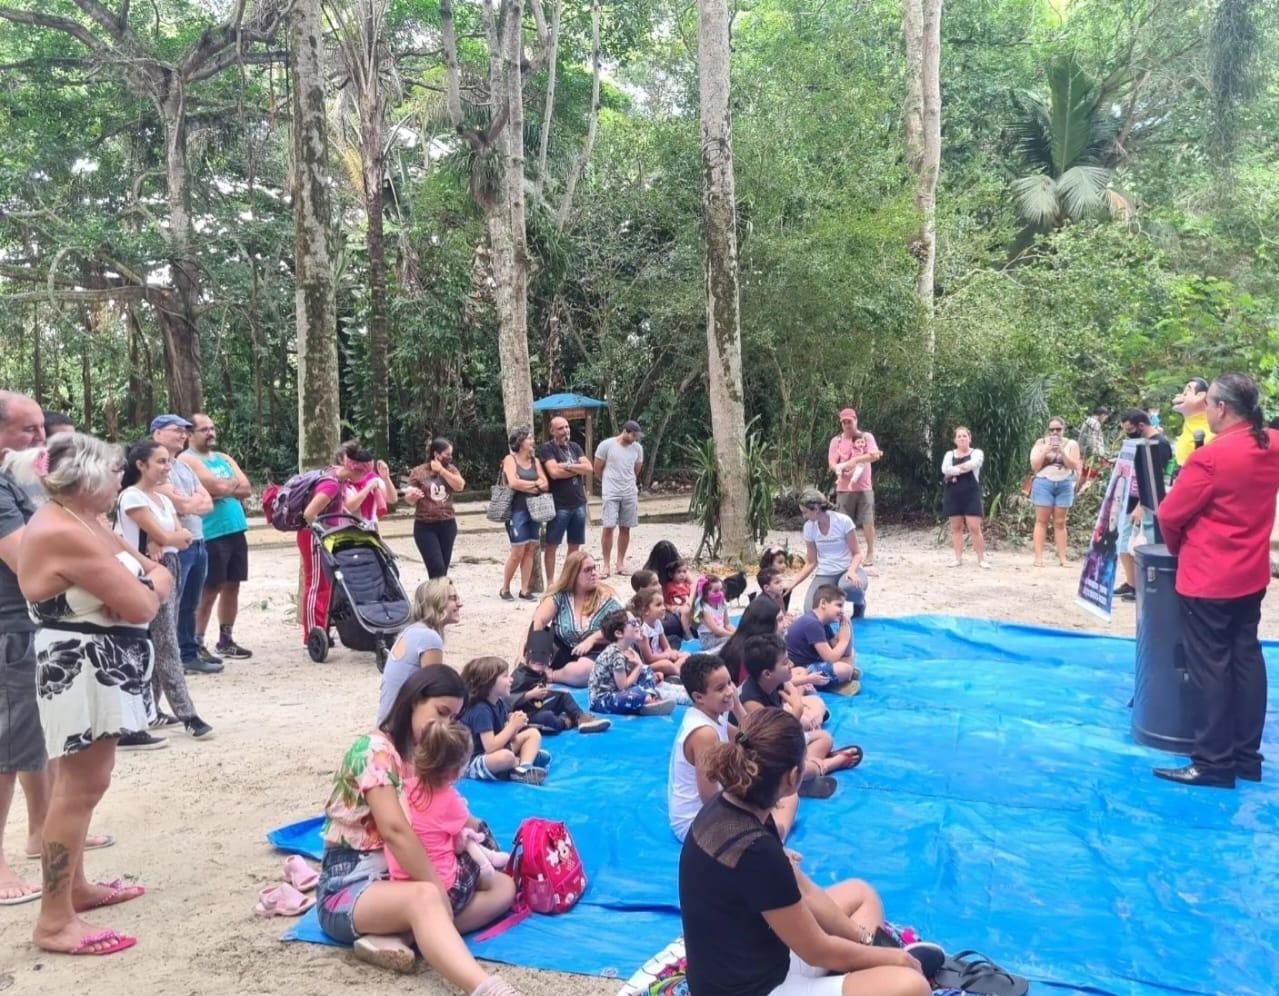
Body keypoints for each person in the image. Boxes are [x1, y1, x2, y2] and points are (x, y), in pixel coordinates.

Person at [19, 432, 171, 956]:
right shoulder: (67, 530)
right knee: (79, 788)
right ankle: (54, 921)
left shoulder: (87, 520)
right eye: (111, 472)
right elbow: (145, 602)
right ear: (83, 479)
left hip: (97, 666)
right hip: (80, 670)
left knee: (83, 783)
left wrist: (145, 585)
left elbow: (154, 572)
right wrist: (144, 588)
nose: (119, 479)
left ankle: (75, 890)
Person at [678, 708, 933, 996]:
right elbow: (817, 950)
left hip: (756, 959)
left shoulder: (736, 804)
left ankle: (860, 971)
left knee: (862, 894)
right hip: (755, 988)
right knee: (913, 987)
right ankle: (865, 975)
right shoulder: (756, 851)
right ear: (793, 776)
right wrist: (896, 959)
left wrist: (867, 942)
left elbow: (806, 892)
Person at [317, 664, 526, 994]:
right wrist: (437, 887)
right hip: (350, 886)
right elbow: (396, 832)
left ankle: (403, 934)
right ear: (415, 700)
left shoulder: (416, 753)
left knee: (503, 887)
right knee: (429, 896)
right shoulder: (375, 752)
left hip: (398, 878)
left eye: (452, 719)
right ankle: (487, 988)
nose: (444, 725)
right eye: (441, 712)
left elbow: (438, 812)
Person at [1154, 373, 1279, 789]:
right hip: (1251, 572)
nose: (1205, 411)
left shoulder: (1211, 458)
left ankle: (1212, 762)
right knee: (1246, 657)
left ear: (1222, 408)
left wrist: (1179, 548)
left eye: (1208, 405)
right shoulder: (1270, 445)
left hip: (1209, 576)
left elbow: (1170, 515)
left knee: (1209, 667)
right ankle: (1246, 757)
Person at [117, 439, 212, 740]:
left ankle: (152, 709)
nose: (167, 466)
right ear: (140, 465)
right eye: (160, 461)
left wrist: (170, 537)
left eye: (168, 461)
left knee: (162, 636)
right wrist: (168, 537)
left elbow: (179, 535)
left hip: (172, 567)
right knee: (166, 641)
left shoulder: (163, 500)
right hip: (147, 573)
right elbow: (169, 535)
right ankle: (189, 714)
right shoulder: (132, 497)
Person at [0, 391, 55, 905]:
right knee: (6, 753)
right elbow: (26, 563)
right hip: (10, 629)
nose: (40, 439)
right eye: (27, 430)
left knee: (32, 738)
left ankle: (42, 831)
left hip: (24, 625)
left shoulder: (14, 481)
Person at [384, 720, 515, 932]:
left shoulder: (403, 788)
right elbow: (476, 829)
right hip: (445, 887)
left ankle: (419, 928)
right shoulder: (450, 802)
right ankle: (427, 931)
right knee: (503, 883)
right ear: (455, 773)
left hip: (402, 882)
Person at [740, 634, 859, 797]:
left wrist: (799, 704)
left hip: (782, 740)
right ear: (767, 674)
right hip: (763, 753)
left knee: (824, 738)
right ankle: (826, 765)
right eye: (785, 663)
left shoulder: (778, 680)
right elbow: (773, 740)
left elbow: (793, 702)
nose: (791, 665)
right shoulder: (751, 701)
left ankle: (803, 777)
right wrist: (797, 710)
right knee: (794, 769)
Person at [149, 415, 219, 675]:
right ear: (157, 434)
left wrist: (189, 502)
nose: (182, 435)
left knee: (191, 602)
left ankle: (188, 654)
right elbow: (178, 505)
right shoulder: (155, 468)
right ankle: (166, 659)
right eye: (176, 430)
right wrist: (191, 501)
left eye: (185, 431)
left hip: (198, 540)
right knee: (172, 604)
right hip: (175, 546)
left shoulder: (184, 467)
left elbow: (208, 502)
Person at [181, 413, 253, 661]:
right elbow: (221, 487)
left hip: (235, 529)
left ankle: (226, 639)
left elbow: (246, 488)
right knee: (210, 589)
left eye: (212, 428)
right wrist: (226, 487)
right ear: (189, 434)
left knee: (233, 585)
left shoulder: (223, 457)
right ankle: (197, 641)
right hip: (211, 532)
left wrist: (224, 488)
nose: (210, 433)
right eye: (204, 429)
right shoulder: (187, 460)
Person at [527, 551, 623, 686]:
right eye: (587, 570)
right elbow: (539, 621)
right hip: (563, 648)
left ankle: (553, 676)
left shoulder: (607, 597)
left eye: (595, 568)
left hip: (595, 651)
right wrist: (536, 654)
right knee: (528, 647)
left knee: (583, 671)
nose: (594, 573)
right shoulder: (560, 596)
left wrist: (593, 638)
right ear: (573, 575)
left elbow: (622, 624)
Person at [377, 579, 463, 725]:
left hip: (387, 720)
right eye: (453, 598)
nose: (460, 603)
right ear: (437, 602)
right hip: (400, 728)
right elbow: (435, 690)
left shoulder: (413, 630)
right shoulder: (429, 637)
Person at [459, 657, 550, 784]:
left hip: (495, 750)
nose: (511, 679)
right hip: (473, 759)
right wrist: (512, 726)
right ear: (489, 683)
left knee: (533, 734)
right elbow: (490, 747)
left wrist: (516, 726)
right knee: (506, 757)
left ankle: (523, 768)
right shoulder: (481, 710)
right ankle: (516, 763)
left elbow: (507, 738)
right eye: (506, 676)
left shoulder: (499, 703)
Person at [297, 453, 355, 647]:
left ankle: (321, 629)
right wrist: (322, 532)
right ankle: (312, 634)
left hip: (326, 536)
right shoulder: (331, 483)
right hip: (314, 535)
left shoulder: (337, 478)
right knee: (316, 585)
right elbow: (309, 514)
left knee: (327, 585)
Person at [1114, 409, 1172, 602]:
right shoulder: (1139, 443)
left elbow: (1155, 480)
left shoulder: (1160, 445)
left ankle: (1140, 587)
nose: (1129, 433)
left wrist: (1141, 504)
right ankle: (1131, 583)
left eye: (1131, 430)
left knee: (1141, 545)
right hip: (1129, 498)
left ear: (1141, 426)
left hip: (1147, 504)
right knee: (1123, 544)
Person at [788, 488, 870, 615]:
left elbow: (857, 553)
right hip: (826, 572)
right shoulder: (809, 527)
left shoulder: (843, 521)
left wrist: (852, 571)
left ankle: (859, 603)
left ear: (816, 508)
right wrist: (793, 583)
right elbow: (811, 562)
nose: (804, 516)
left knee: (849, 586)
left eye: (805, 512)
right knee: (810, 610)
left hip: (847, 569)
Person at [510, 636, 612, 734]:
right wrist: (530, 694)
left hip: (537, 705)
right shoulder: (519, 677)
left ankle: (580, 717)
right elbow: (507, 701)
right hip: (525, 715)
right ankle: (566, 722)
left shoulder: (540, 673)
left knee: (563, 696)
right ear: (526, 656)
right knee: (548, 717)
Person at [589, 610, 678, 716]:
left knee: (647, 670)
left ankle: (647, 698)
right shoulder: (615, 653)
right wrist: (638, 667)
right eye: (633, 623)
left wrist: (642, 670)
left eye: (637, 621)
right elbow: (623, 686)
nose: (637, 626)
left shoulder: (627, 648)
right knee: (637, 692)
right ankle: (646, 700)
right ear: (619, 633)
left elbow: (633, 675)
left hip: (617, 692)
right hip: (602, 701)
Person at [498, 427, 549, 602]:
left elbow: (546, 484)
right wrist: (535, 484)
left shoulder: (535, 461)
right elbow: (513, 482)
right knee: (517, 550)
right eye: (529, 438)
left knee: (531, 549)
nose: (532, 441)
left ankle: (524, 589)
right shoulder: (510, 459)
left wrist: (527, 483)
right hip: (516, 510)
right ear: (520, 442)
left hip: (534, 510)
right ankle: (505, 588)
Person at [404, 438, 466, 579]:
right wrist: (413, 496)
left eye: (451, 454)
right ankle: (438, 597)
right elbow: (409, 499)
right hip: (425, 526)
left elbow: (460, 486)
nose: (450, 457)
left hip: (447, 524)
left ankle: (440, 597)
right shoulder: (419, 472)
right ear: (436, 454)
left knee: (443, 568)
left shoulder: (451, 469)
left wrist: (442, 471)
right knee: (436, 567)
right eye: (447, 454)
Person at [540, 416, 593, 582]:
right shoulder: (547, 449)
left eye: (567, 427)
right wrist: (578, 469)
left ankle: (567, 580)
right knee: (552, 545)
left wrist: (568, 466)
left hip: (579, 503)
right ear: (552, 431)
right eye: (561, 428)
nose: (566, 431)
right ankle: (550, 582)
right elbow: (554, 473)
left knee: (575, 545)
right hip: (559, 505)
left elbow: (589, 468)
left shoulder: (575, 447)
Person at [827, 408, 881, 567]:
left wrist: (855, 461)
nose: (846, 425)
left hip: (864, 486)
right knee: (844, 522)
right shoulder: (836, 440)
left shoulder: (866, 437)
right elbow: (831, 462)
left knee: (867, 520)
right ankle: (847, 553)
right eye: (843, 422)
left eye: (849, 421)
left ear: (855, 420)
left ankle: (870, 552)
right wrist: (841, 468)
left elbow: (874, 454)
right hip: (844, 487)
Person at [785, 585, 861, 694]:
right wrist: (844, 640)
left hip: (814, 663)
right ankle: (829, 684)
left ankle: (837, 678)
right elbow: (830, 658)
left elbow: (845, 653)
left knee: (850, 656)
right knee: (844, 669)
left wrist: (847, 625)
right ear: (823, 603)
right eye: (839, 605)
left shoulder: (823, 623)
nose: (842, 611)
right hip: (801, 669)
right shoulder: (812, 623)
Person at [593, 420, 644, 578]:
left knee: (625, 527)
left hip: (629, 491)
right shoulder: (607, 445)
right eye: (633, 435)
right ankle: (606, 564)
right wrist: (607, 482)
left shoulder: (637, 448)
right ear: (625, 431)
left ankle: (620, 563)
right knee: (608, 526)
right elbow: (597, 468)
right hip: (611, 491)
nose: (635, 439)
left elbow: (636, 469)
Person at [1029, 416, 1081, 567]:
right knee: (1041, 521)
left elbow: (1072, 465)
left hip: (1064, 483)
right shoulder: (1040, 443)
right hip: (1044, 482)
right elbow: (1035, 466)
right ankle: (1039, 558)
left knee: (1060, 522)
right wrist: (1046, 450)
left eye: (1058, 429)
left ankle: (1063, 558)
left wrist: (1062, 451)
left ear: (1063, 429)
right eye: (1052, 429)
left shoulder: (1071, 444)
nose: (1055, 432)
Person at [941, 426, 989, 569]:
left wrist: (954, 471)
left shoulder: (977, 453)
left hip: (971, 494)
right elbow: (944, 469)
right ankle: (957, 558)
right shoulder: (949, 454)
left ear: (970, 438)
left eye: (964, 436)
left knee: (974, 527)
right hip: (953, 494)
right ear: (955, 440)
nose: (962, 438)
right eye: (959, 436)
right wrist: (959, 469)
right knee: (956, 527)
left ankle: (981, 559)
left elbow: (973, 464)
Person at [632, 586, 688, 677]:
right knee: (666, 664)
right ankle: (677, 671)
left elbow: (666, 646)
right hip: (649, 664)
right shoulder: (643, 630)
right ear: (646, 610)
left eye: (663, 604)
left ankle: (673, 669)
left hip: (662, 656)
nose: (664, 608)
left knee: (685, 655)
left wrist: (671, 652)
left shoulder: (657, 623)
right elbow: (648, 659)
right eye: (658, 605)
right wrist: (667, 655)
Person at [340, 441, 397, 525]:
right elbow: (349, 507)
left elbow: (392, 499)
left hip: (370, 529)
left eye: (365, 472)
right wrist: (368, 488)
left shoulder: (372, 478)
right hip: (346, 529)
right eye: (360, 471)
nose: (363, 474)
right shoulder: (341, 481)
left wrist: (386, 479)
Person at [1170, 377, 1216, 469]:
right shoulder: (1187, 430)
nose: (1180, 395)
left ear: (1200, 396)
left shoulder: (1210, 436)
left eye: (1186, 392)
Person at [692, 574, 736, 653]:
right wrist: (733, 635)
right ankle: (711, 653)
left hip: (721, 634)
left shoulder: (722, 604)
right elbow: (716, 630)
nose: (720, 593)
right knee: (731, 642)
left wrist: (738, 632)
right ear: (705, 594)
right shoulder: (704, 609)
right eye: (716, 591)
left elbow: (727, 624)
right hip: (708, 638)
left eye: (721, 590)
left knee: (737, 641)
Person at [1078, 405, 1109, 487]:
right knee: (1093, 476)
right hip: (1093, 455)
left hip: (1086, 454)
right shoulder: (1095, 423)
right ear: (1102, 415)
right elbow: (1093, 441)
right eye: (1105, 418)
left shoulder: (1087, 422)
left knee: (1084, 475)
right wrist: (1099, 456)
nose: (1104, 420)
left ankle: (1076, 493)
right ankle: (1084, 494)